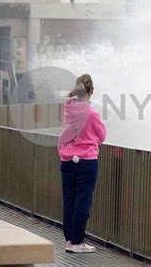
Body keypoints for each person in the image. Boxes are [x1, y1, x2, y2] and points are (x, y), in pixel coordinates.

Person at [58, 74, 106, 253]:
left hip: (67, 160)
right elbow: (102, 135)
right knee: (83, 200)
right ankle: (78, 241)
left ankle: (70, 239)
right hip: (86, 161)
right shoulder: (92, 115)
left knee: (69, 199)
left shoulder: (68, 110)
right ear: (91, 92)